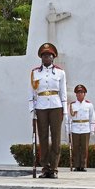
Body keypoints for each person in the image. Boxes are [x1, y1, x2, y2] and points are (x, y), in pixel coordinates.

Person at [29, 42, 67, 178]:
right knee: (43, 137)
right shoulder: (35, 72)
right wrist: (32, 110)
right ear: (41, 58)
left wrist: (65, 111)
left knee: (56, 138)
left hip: (56, 106)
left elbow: (63, 93)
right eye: (44, 56)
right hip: (40, 106)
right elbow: (32, 93)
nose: (46, 58)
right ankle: (45, 168)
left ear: (53, 57)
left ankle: (54, 168)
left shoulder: (60, 72)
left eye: (49, 55)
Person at [69, 84, 95, 171]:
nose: (80, 94)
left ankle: (83, 165)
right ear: (76, 94)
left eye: (81, 92)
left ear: (85, 94)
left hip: (85, 128)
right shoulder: (72, 105)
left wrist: (92, 130)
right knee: (76, 148)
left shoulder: (89, 105)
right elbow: (69, 118)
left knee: (84, 148)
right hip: (75, 128)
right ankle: (76, 166)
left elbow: (92, 117)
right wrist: (68, 129)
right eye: (78, 93)